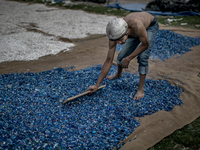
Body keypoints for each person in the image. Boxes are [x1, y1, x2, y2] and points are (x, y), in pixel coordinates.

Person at [87, 12, 159, 100]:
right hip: (134, 30)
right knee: (121, 56)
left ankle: (140, 89)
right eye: (116, 41)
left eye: (121, 40)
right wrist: (97, 85)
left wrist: (129, 58)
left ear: (127, 31)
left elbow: (145, 45)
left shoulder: (137, 26)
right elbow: (109, 60)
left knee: (143, 57)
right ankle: (118, 74)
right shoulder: (115, 34)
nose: (119, 43)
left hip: (150, 26)